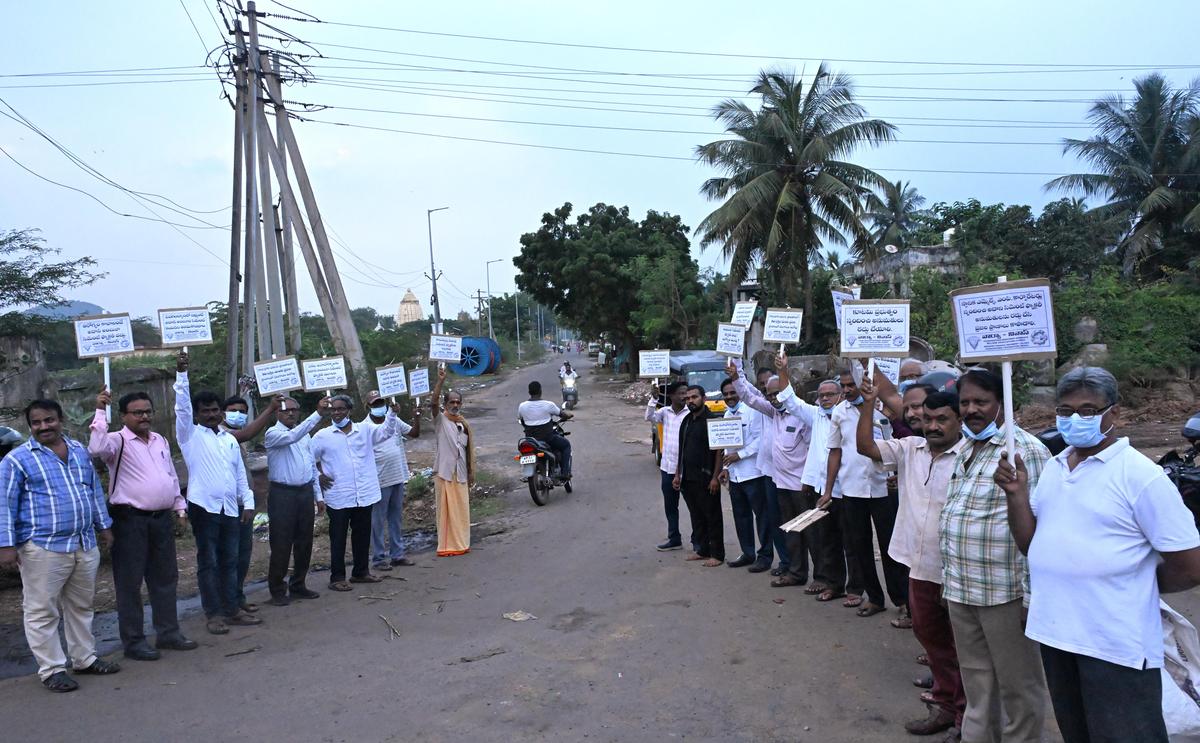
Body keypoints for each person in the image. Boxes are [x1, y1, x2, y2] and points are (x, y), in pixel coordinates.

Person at [996, 367, 1200, 743]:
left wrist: (1131, 580)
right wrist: (1016, 495)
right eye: (1066, 410)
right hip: (1056, 635)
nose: (1076, 419)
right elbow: (1031, 544)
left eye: (1088, 410)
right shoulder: (1057, 468)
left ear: (1115, 414)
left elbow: (1189, 567)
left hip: (1114, 645)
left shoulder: (1141, 477)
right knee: (1079, 734)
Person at [939, 367, 1050, 743]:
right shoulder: (966, 447)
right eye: (966, 402)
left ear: (1001, 404)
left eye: (981, 401)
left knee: (1019, 687)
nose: (972, 409)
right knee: (977, 682)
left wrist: (1032, 596)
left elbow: (1041, 530)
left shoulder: (1026, 452)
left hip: (1005, 594)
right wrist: (948, 583)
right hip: (963, 589)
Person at [856, 375, 967, 740]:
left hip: (957, 569)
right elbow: (866, 448)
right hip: (919, 565)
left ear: (959, 421)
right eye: (927, 417)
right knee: (930, 636)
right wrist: (869, 402)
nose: (933, 425)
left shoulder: (971, 457)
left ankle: (967, 717)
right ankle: (945, 705)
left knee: (963, 645)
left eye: (942, 419)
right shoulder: (909, 449)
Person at [0, 399, 120, 692]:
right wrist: (5, 545)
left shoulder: (79, 450)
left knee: (81, 605)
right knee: (42, 610)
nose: (44, 427)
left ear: (60, 419)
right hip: (43, 547)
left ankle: (84, 658)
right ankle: (52, 669)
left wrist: (104, 525)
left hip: (83, 542)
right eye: (37, 422)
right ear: (30, 426)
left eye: (49, 420)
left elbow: (91, 490)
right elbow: (3, 504)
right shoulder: (16, 460)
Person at [89, 388, 196, 661]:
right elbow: (96, 449)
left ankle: (168, 633)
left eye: (148, 411)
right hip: (129, 520)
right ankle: (134, 641)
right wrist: (101, 411)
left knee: (165, 578)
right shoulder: (115, 441)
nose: (144, 416)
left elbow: (170, 475)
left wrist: (179, 506)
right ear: (124, 416)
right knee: (129, 582)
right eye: (137, 413)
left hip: (160, 520)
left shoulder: (159, 439)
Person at [174, 352, 262, 635]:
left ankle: (232, 608)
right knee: (208, 562)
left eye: (215, 410)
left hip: (231, 508)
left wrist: (247, 502)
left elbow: (238, 475)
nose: (211, 414)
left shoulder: (229, 441)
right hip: (204, 507)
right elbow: (182, 409)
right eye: (206, 411)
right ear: (198, 415)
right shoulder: (189, 436)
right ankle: (213, 614)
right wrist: (182, 375)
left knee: (230, 559)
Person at [822, 367, 907, 619]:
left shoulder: (885, 409)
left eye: (852, 385)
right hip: (852, 489)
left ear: (865, 383)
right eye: (844, 386)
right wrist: (828, 490)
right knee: (860, 547)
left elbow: (903, 444)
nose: (847, 390)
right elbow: (835, 451)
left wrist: (899, 474)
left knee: (892, 547)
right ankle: (875, 598)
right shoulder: (839, 412)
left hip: (885, 488)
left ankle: (902, 599)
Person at [731, 357, 821, 589]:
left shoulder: (804, 416)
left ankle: (822, 578)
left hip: (803, 487)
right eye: (769, 395)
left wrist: (810, 482)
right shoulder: (774, 413)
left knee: (813, 533)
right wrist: (735, 375)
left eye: (777, 393)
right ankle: (796, 573)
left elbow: (814, 452)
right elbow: (749, 397)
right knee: (791, 531)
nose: (773, 399)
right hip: (780, 484)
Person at [312, 394, 402, 588]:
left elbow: (385, 433)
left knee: (362, 535)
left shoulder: (365, 430)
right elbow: (309, 459)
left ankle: (361, 572)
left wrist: (393, 414)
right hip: (339, 495)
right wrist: (319, 475)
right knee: (338, 538)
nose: (337, 413)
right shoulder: (322, 436)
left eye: (341, 409)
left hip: (365, 493)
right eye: (333, 410)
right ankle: (337, 578)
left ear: (349, 410)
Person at [262, 395, 329, 606]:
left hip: (304, 492)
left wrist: (318, 496)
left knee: (304, 541)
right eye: (285, 410)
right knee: (281, 543)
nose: (290, 413)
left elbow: (311, 466)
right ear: (277, 413)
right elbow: (291, 437)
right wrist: (317, 413)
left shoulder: (304, 435)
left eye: (294, 409)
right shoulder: (273, 433)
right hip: (283, 494)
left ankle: (298, 584)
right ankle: (277, 589)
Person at [219, 394, 277, 614]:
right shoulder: (222, 434)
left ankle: (237, 596)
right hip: (227, 505)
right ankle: (225, 603)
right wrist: (270, 409)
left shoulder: (233, 437)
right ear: (223, 412)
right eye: (234, 410)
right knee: (229, 556)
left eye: (243, 411)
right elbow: (247, 433)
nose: (239, 414)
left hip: (244, 503)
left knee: (243, 554)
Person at [364, 390, 420, 572]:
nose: (379, 406)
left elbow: (414, 433)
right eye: (375, 404)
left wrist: (416, 417)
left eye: (381, 403)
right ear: (368, 407)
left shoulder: (393, 419)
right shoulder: (364, 427)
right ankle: (379, 558)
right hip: (379, 480)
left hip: (398, 476)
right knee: (377, 521)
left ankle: (397, 554)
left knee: (395, 518)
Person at [717, 377, 768, 569]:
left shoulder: (753, 411)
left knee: (762, 517)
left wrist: (741, 455)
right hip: (735, 476)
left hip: (753, 473)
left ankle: (765, 556)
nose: (730, 397)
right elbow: (726, 447)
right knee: (741, 516)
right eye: (726, 394)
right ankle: (747, 553)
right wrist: (724, 469)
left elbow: (761, 439)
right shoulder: (726, 416)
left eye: (733, 392)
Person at [672, 385, 724, 566]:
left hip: (707, 478)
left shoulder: (712, 420)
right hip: (688, 478)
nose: (690, 401)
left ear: (703, 398)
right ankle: (702, 550)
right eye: (687, 398)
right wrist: (677, 474)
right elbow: (682, 449)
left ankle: (717, 554)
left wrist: (715, 477)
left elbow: (719, 451)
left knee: (712, 516)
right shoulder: (686, 421)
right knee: (697, 515)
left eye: (694, 397)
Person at [430, 366, 476, 556]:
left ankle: (462, 544)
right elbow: (433, 404)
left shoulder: (463, 423)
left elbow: (467, 451)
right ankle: (447, 546)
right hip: (444, 473)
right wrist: (440, 381)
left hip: (461, 474)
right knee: (446, 513)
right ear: (446, 403)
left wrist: (471, 472)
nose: (455, 405)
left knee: (461, 510)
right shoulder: (441, 420)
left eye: (458, 402)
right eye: (451, 401)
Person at [645, 381, 693, 552]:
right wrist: (654, 399)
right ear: (671, 396)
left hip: (687, 469)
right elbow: (649, 417)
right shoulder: (665, 412)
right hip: (667, 468)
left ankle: (698, 540)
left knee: (694, 505)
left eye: (685, 393)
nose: (684, 397)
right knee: (670, 506)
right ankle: (674, 538)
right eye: (680, 393)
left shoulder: (691, 413)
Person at [518, 381, 572, 479]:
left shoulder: (522, 406)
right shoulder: (548, 405)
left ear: (529, 392)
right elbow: (562, 414)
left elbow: (521, 420)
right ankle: (565, 473)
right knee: (566, 445)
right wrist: (568, 416)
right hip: (548, 438)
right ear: (540, 391)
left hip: (530, 440)